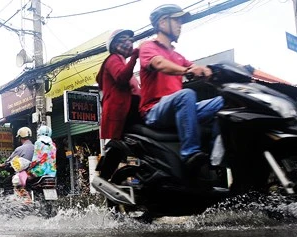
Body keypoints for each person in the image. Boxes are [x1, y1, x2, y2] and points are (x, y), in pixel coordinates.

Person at [139, 4, 224, 172]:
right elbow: (159, 63)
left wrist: (212, 72)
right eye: (177, 20)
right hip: (155, 110)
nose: (180, 25)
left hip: (179, 108)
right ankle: (190, 154)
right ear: (163, 22)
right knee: (186, 95)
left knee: (225, 101)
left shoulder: (177, 56)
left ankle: (216, 156)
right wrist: (187, 70)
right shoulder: (148, 46)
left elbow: (197, 67)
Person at [96, 29, 141, 180]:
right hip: (123, 113)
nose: (129, 43)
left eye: (130, 39)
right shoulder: (113, 59)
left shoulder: (123, 61)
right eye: (123, 40)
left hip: (131, 111)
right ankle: (105, 179)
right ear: (115, 45)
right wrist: (135, 56)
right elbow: (122, 77)